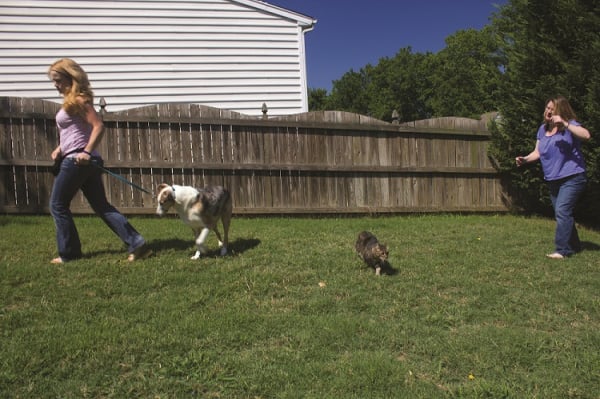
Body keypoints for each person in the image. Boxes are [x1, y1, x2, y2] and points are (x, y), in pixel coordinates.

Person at [48, 58, 151, 263]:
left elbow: (98, 126)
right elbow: (77, 130)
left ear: (71, 78)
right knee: (101, 206)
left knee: (57, 205)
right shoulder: (72, 101)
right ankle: (137, 243)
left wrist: (86, 151)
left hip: (79, 161)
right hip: (81, 159)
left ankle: (69, 253)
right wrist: (60, 147)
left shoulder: (79, 100)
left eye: (58, 80)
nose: (55, 85)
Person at [515, 96, 591, 259]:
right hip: (553, 179)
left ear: (561, 111)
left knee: (562, 211)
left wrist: (565, 124)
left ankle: (562, 250)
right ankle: (575, 245)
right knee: (562, 212)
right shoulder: (542, 130)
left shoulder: (569, 126)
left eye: (553, 109)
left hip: (573, 177)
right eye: (547, 108)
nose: (548, 111)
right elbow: (538, 152)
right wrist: (525, 159)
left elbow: (586, 135)